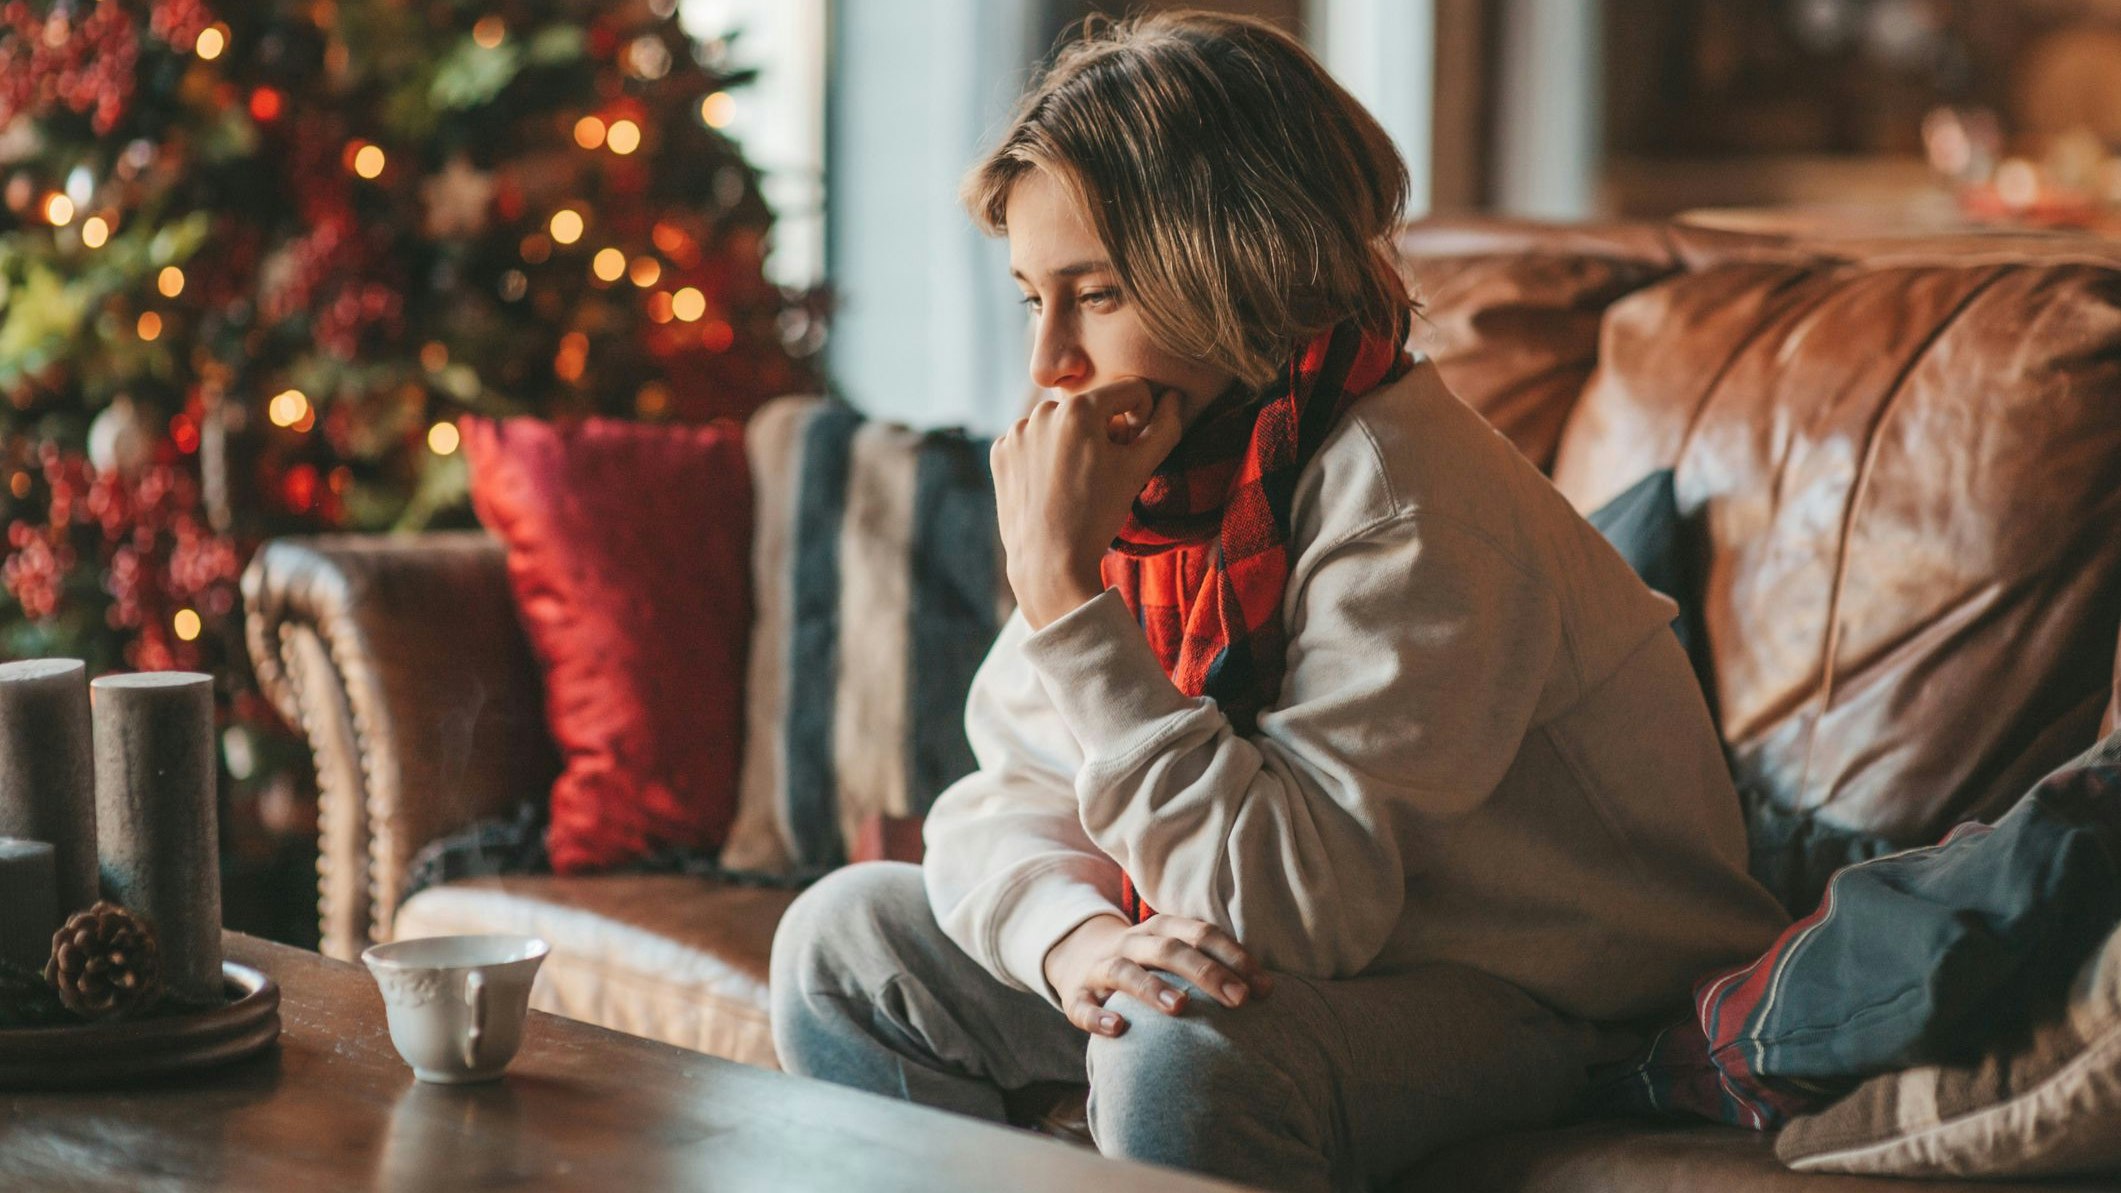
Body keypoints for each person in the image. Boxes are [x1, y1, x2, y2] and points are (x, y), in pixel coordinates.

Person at [770, 12, 1789, 1190]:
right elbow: (1010, 789)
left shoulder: (1410, 504)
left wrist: (1062, 595)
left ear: (1231, 265)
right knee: (842, 941)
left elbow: (1292, 916)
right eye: (1027, 298)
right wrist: (1079, 940)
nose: (1048, 359)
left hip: (1554, 996)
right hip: (1319, 955)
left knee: (1181, 1051)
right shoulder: (1160, 480)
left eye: (1094, 294)